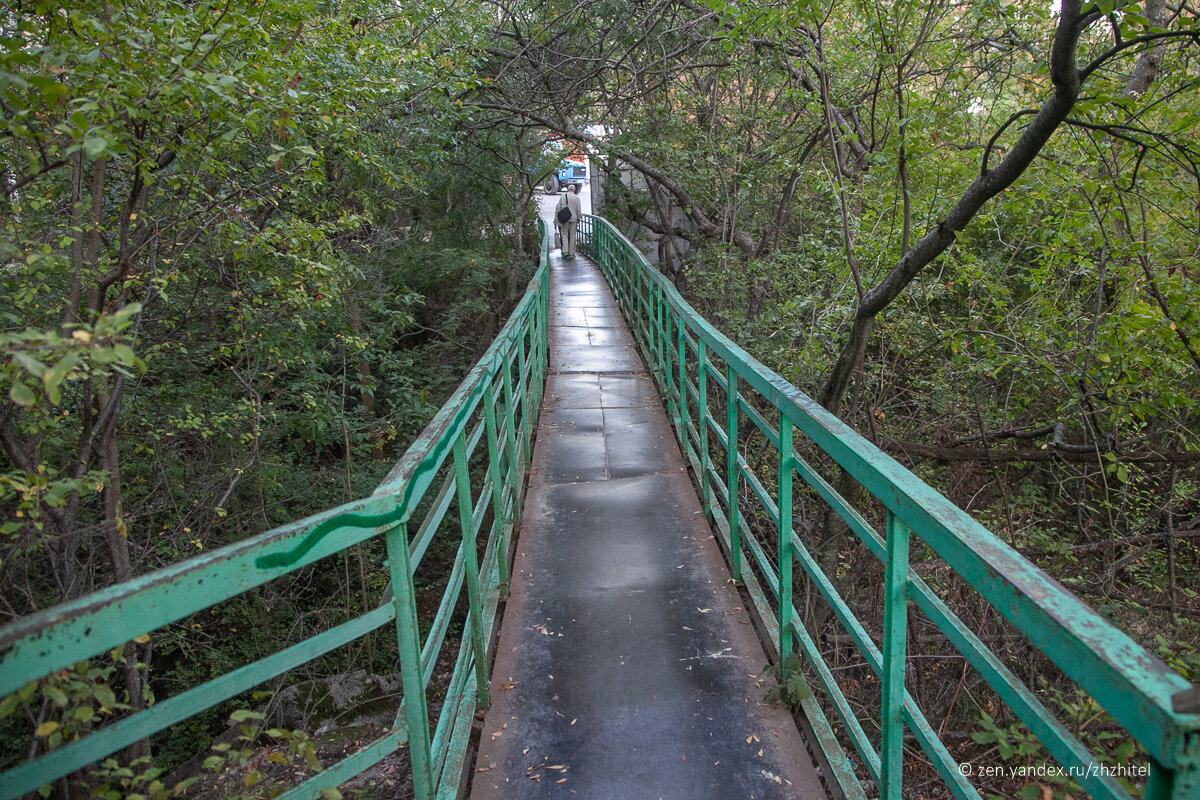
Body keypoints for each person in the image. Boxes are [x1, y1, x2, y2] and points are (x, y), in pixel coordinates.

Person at [555, 183, 582, 258]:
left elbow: (558, 208)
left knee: (564, 234)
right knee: (573, 235)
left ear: (568, 189)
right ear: (574, 190)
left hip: (565, 218)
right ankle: (572, 253)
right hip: (574, 218)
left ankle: (565, 251)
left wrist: (557, 219)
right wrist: (579, 218)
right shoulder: (577, 198)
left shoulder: (563, 196)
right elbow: (579, 210)